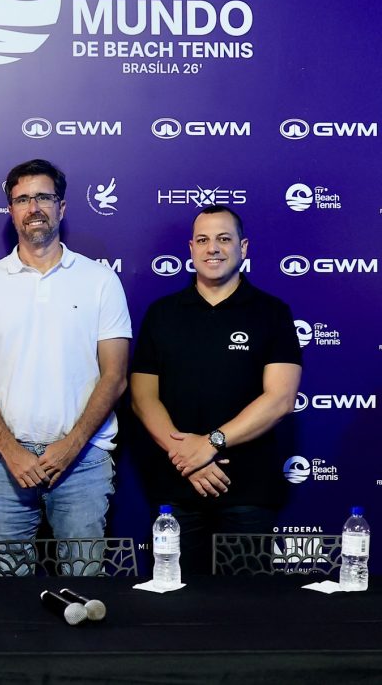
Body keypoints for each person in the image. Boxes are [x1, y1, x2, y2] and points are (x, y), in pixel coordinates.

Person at [0, 159, 131, 575]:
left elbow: (115, 376)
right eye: (22, 199)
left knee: (85, 588)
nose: (33, 206)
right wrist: (13, 452)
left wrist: (71, 446)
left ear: (62, 207)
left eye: (43, 197)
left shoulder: (99, 280)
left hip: (83, 461)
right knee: (10, 594)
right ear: (11, 210)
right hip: (3, 464)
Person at [131, 204, 301, 574]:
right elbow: (143, 397)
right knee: (175, 608)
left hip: (248, 492)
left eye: (224, 239)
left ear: (244, 247)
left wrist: (208, 445)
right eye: (204, 240)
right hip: (176, 487)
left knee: (245, 615)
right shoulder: (162, 313)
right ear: (190, 249)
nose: (213, 248)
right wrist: (186, 456)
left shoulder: (272, 312)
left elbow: (281, 398)